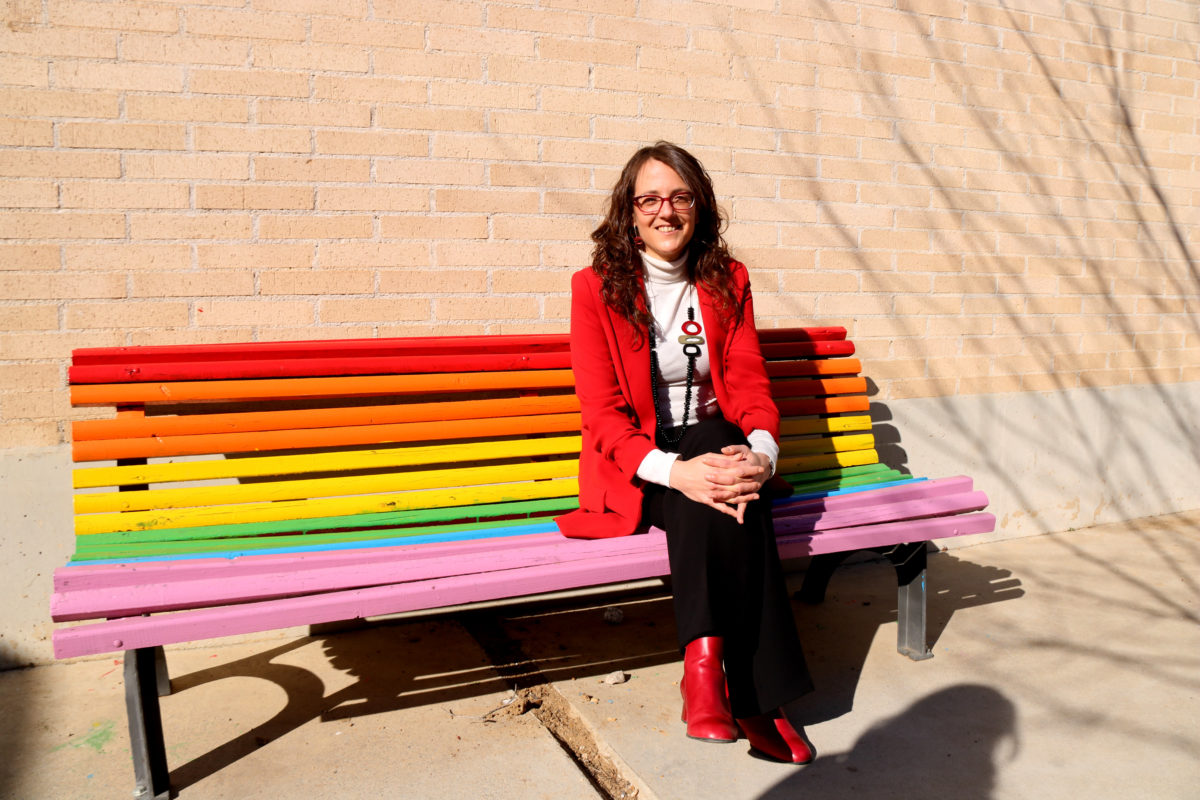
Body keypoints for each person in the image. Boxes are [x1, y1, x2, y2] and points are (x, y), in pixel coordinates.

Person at [556, 141, 816, 764]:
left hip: (714, 451)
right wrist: (674, 473)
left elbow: (748, 379)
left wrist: (761, 453)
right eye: (649, 198)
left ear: (700, 205)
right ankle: (758, 701)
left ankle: (704, 671)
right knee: (721, 488)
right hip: (638, 467)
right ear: (629, 211)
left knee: (722, 464)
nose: (664, 211)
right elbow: (602, 415)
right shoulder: (596, 289)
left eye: (678, 197)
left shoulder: (728, 280)